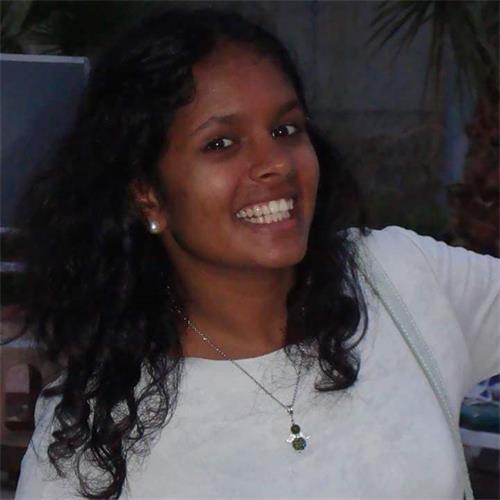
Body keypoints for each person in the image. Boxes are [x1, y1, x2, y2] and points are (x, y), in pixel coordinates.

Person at [14, 7, 499, 500]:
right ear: (148, 195)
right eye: (221, 143)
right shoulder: (93, 441)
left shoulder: (396, 277)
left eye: (286, 130)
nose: (275, 164)